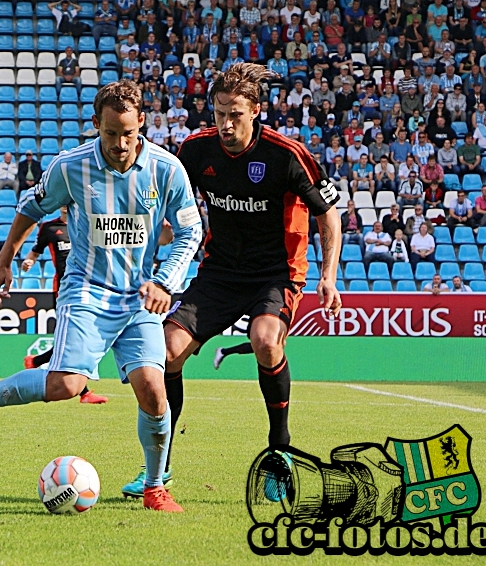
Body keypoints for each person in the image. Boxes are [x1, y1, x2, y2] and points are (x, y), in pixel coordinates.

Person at [0, 80, 203, 513]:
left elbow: (190, 231)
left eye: (128, 133)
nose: (120, 144)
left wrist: (165, 280)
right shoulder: (71, 167)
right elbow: (31, 208)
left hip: (139, 297)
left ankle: (155, 487)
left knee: (152, 389)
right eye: (110, 134)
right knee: (67, 384)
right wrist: (3, 260)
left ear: (141, 122)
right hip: (87, 289)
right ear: (95, 126)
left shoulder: (167, 169)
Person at [121, 64, 342, 498]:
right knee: (166, 352)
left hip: (276, 274)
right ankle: (159, 468)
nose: (225, 124)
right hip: (219, 273)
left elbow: (328, 215)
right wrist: (142, 238)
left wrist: (329, 275)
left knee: (265, 339)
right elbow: (169, 215)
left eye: (235, 114)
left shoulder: (286, 154)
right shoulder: (197, 150)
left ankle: (280, 452)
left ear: (256, 110)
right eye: (219, 112)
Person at [20, 205, 112, 404]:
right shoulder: (49, 229)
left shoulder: (86, 225)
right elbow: (35, 251)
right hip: (63, 288)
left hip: (89, 288)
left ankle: (36, 362)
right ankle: (84, 392)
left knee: (78, 338)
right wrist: (29, 262)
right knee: (74, 337)